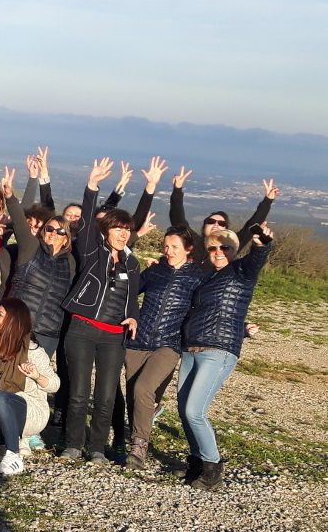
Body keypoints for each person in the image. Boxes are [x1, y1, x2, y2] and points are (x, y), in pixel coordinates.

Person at [177, 225, 272, 490]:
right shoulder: (205, 276)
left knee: (195, 411)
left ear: (234, 249)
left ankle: (212, 469)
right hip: (191, 349)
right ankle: (196, 463)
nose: (218, 252)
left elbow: (257, 258)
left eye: (225, 247)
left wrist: (262, 244)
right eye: (213, 248)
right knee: (184, 411)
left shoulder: (241, 271)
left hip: (218, 351)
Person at [59, 158, 140, 466]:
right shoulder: (92, 251)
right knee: (79, 392)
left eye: (127, 229)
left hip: (114, 336)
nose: (122, 234)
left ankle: (97, 449)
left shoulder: (133, 263)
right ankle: (73, 445)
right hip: (81, 329)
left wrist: (134, 316)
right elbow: (89, 217)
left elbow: (132, 301)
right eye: (117, 228)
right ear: (106, 231)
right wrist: (91, 186)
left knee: (106, 398)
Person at [124, 226, 203, 470]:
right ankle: (148, 416)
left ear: (188, 249)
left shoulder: (198, 277)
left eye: (174, 247)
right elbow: (129, 293)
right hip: (137, 341)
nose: (168, 251)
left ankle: (139, 447)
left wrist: (241, 327)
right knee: (134, 396)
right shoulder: (155, 271)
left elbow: (211, 309)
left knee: (143, 388)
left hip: (169, 344)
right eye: (166, 247)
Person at [0, 299, 60, 476]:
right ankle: (14, 439)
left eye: (0, 315)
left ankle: (13, 454)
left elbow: (54, 385)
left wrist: (37, 376)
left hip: (31, 409)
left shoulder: (31, 350)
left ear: (13, 321)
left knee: (1, 397)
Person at [0, 166, 74, 359]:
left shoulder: (71, 262)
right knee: (6, 371)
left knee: (33, 383)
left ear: (67, 238)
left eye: (60, 231)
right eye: (49, 229)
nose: (54, 233)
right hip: (18, 324)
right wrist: (9, 195)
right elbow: (20, 223)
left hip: (48, 331)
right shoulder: (31, 248)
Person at [169, 167, 278, 263]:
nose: (216, 225)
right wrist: (177, 189)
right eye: (211, 222)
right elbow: (178, 219)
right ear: (204, 226)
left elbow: (251, 226)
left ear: (226, 229)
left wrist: (267, 201)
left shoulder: (231, 245)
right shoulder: (193, 242)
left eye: (221, 223)